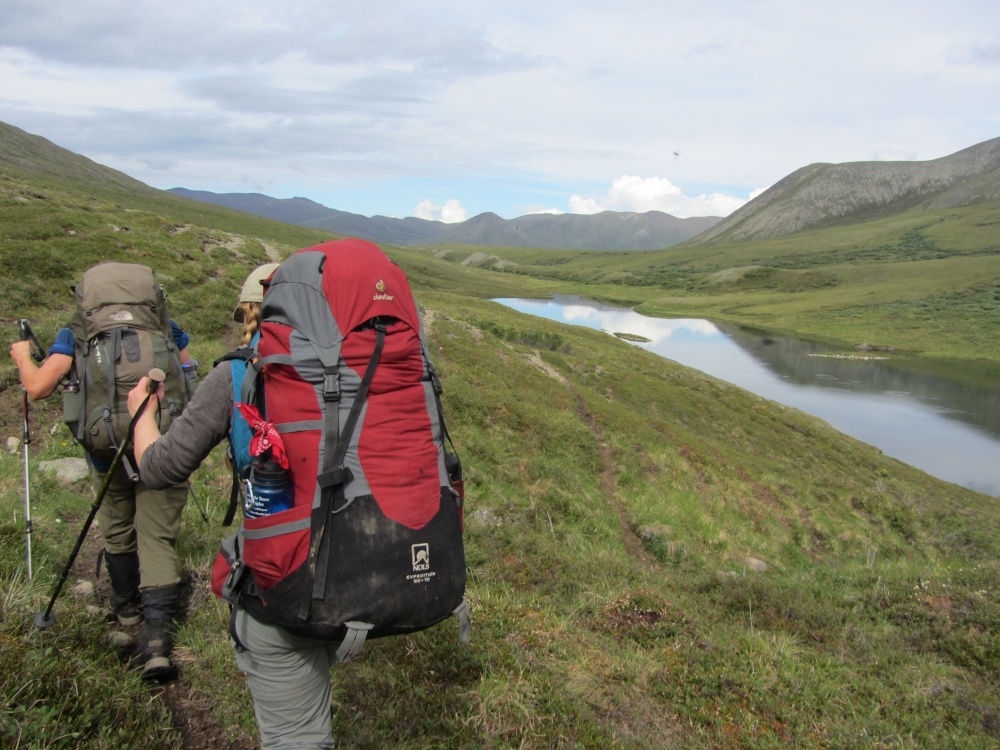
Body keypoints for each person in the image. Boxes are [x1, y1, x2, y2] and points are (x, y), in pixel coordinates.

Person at [128, 262, 340, 749]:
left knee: (297, 734)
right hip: (356, 562)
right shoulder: (352, 367)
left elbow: (160, 467)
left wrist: (143, 412)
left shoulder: (238, 371)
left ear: (251, 311)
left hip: (282, 579)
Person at [9, 283, 198, 681]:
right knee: (158, 535)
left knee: (115, 522)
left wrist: (23, 356)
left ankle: (127, 608)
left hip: (104, 447)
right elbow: (187, 375)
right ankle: (157, 638)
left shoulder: (76, 328)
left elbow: (39, 387)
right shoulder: (165, 325)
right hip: (162, 446)